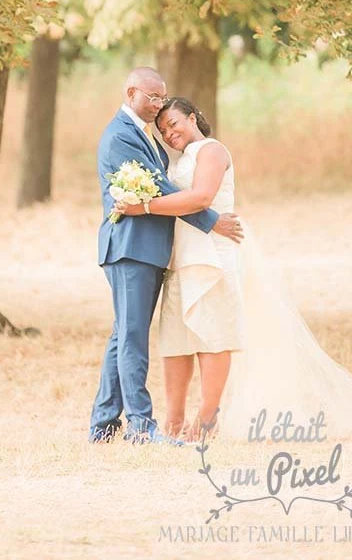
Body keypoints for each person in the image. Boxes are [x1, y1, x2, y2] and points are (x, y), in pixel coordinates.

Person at [116, 96, 352, 441]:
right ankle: (172, 420)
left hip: (212, 253)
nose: (169, 134)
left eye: (174, 124)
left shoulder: (212, 151)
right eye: (163, 130)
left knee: (213, 335)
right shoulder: (181, 158)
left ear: (193, 117)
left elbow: (201, 198)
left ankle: (207, 419)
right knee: (177, 336)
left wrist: (143, 207)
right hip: (182, 253)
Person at [89, 68, 243, 444]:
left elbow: (169, 189)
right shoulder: (121, 136)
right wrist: (212, 221)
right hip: (131, 248)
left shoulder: (162, 142)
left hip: (158, 251)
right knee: (132, 338)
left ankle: (105, 423)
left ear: (192, 117)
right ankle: (141, 426)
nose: (158, 106)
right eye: (152, 98)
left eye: (164, 100)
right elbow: (160, 188)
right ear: (131, 92)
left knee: (124, 335)